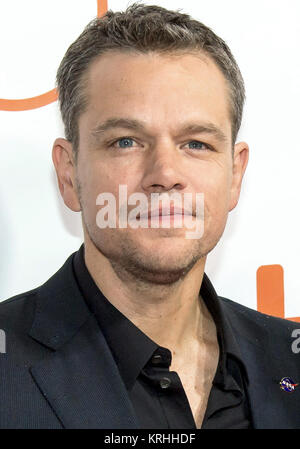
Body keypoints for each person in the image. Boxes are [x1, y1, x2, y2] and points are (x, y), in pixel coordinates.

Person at [0, 2, 299, 429]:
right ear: (69, 174)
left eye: (196, 143)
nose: (165, 174)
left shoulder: (287, 358)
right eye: (126, 141)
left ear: (235, 176)